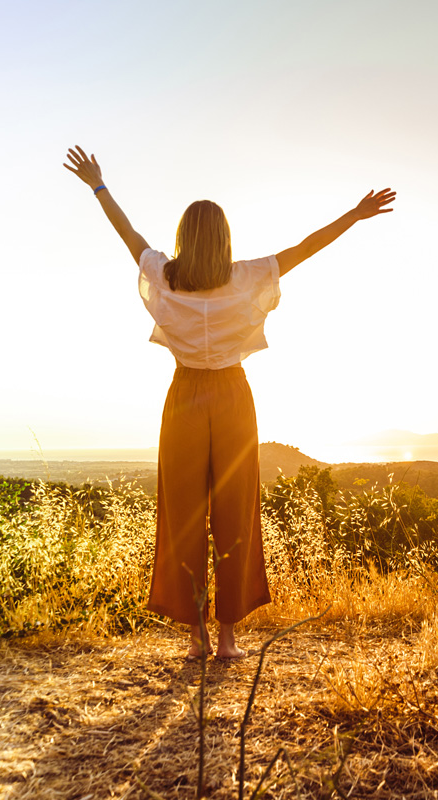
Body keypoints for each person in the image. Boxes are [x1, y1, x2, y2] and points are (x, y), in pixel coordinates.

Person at [64, 145, 395, 659]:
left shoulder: (164, 275)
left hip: (184, 395)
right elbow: (308, 247)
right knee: (236, 513)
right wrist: (355, 214)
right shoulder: (245, 278)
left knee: (184, 512)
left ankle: (195, 639)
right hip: (234, 395)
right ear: (224, 239)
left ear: (182, 238)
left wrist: (98, 186)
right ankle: (227, 639)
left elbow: (128, 235)